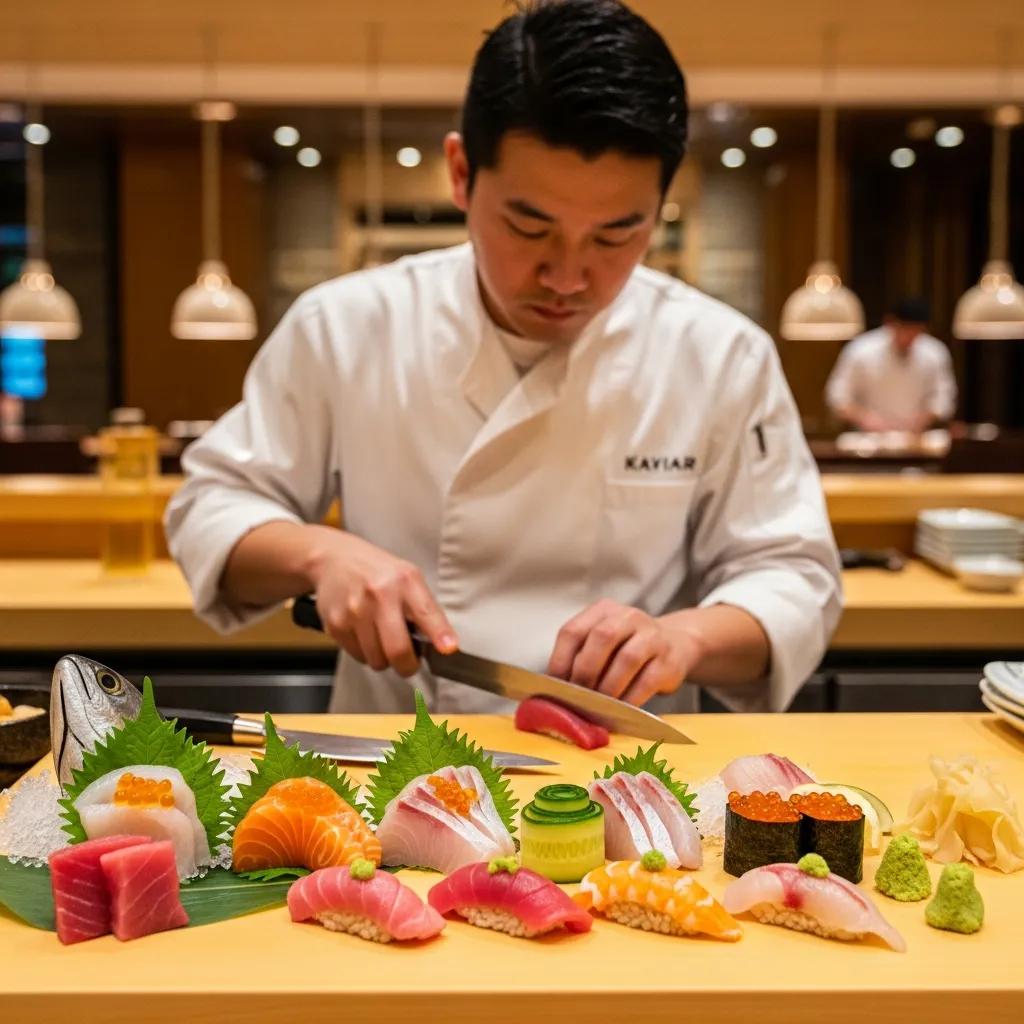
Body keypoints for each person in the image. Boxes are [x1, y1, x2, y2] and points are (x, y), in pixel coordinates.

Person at [166, 0, 841, 716]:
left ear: (662, 202)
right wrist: (320, 555)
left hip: (627, 773)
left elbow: (791, 575)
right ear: (461, 174)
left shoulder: (719, 354)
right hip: (395, 760)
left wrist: (684, 640)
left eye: (616, 235)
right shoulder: (347, 326)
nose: (568, 276)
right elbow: (212, 506)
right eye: (529, 225)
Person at [825, 297, 958, 433]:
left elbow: (944, 398)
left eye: (916, 331)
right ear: (890, 323)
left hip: (916, 437)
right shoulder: (860, 350)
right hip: (869, 438)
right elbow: (837, 398)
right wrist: (866, 418)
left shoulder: (935, 352)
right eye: (905, 330)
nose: (910, 337)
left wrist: (923, 418)